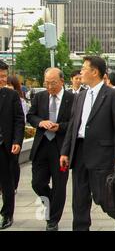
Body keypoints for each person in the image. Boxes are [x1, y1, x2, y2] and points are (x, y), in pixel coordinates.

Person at [60, 56, 115, 231]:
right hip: (79, 153)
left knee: (103, 197)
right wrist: (65, 151)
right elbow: (73, 126)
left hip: (102, 154)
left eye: (84, 68)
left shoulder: (112, 95)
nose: (81, 72)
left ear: (95, 72)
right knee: (80, 199)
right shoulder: (80, 96)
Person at [27, 68, 74, 231]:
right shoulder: (39, 97)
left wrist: (59, 127)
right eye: (46, 83)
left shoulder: (72, 99)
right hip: (41, 147)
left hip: (61, 149)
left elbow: (75, 124)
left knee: (60, 185)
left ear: (62, 81)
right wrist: (41, 122)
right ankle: (51, 202)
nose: (49, 86)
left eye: (52, 83)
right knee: (37, 183)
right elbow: (30, 116)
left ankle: (53, 221)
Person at [0, 60, 25, 230]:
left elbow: (19, 121)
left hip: (5, 146)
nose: (3, 80)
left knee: (7, 182)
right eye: (0, 76)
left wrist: (17, 141)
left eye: (4, 76)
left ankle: (7, 214)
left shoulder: (11, 96)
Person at [5, 76, 29, 193]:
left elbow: (21, 119)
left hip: (14, 137)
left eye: (10, 84)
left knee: (13, 162)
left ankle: (13, 185)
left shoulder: (19, 100)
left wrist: (17, 140)